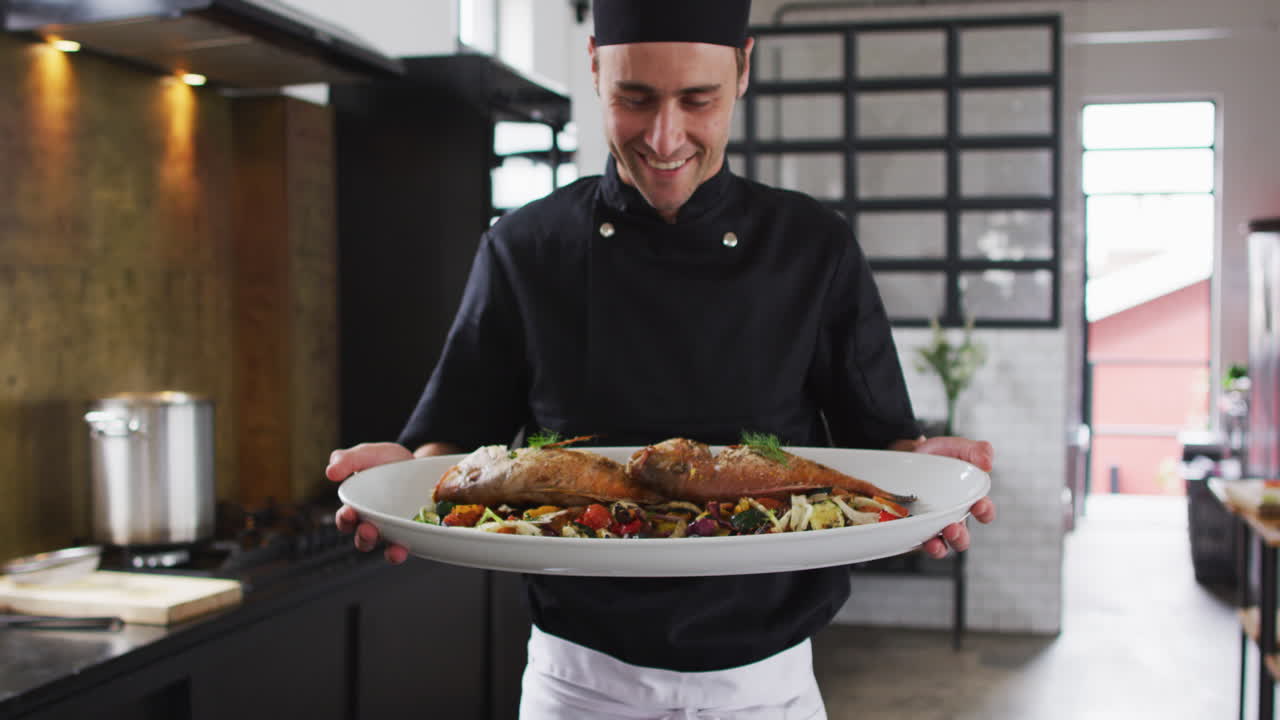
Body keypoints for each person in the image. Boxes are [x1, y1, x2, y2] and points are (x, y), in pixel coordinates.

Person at [327, 0, 996, 717]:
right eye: (634, 98)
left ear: (743, 70)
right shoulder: (527, 248)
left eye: (697, 100)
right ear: (594, 67)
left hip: (766, 691)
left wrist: (930, 467)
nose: (664, 136)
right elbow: (454, 440)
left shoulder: (812, 246)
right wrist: (405, 485)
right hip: (579, 687)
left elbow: (880, 449)